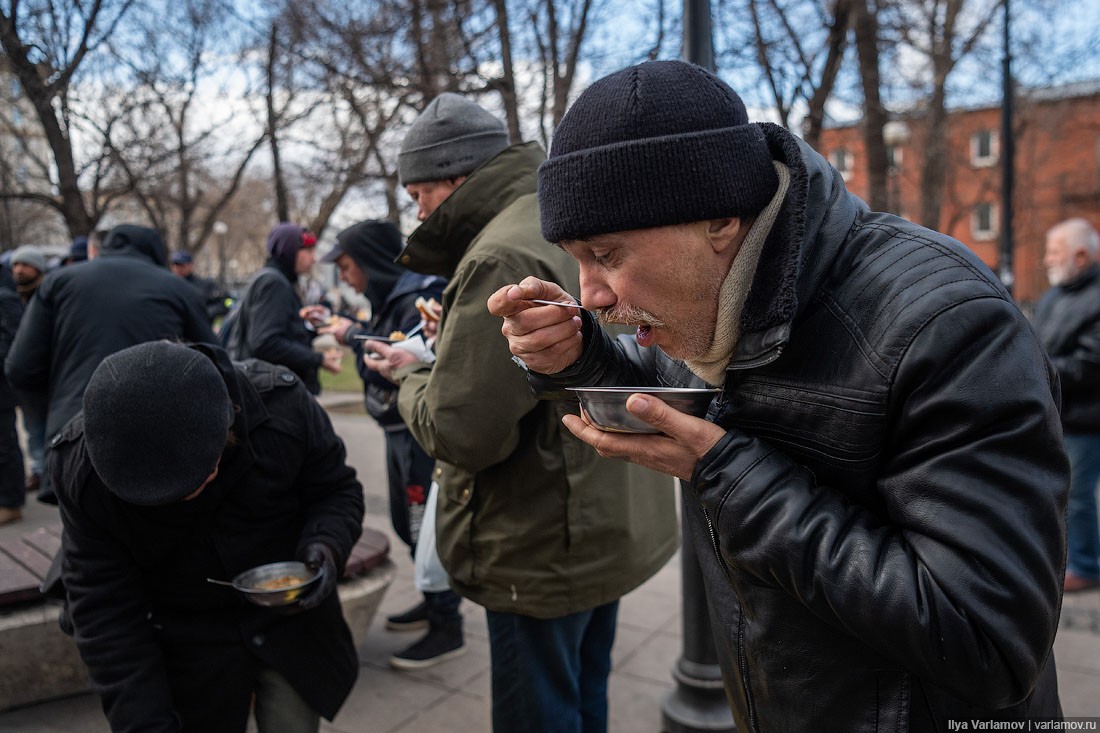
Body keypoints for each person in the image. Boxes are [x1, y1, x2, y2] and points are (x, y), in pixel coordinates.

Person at [488, 60, 1067, 729]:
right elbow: (682, 417)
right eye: (577, 261)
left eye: (607, 255)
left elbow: (990, 639)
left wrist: (732, 478)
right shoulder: (712, 307)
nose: (589, 292)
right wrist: (578, 355)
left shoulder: (946, 323)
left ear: (722, 220)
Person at [365, 91, 678, 729]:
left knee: (541, 713)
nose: (417, 212)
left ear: (452, 180)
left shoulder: (498, 255)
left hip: (540, 545)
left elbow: (462, 433)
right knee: (585, 697)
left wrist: (412, 374)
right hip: (603, 523)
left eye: (419, 195)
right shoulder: (559, 217)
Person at [51, 340, 364, 732]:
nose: (185, 498)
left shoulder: (281, 406)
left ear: (227, 426)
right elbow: (104, 610)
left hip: (289, 623)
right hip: (182, 637)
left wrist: (327, 546)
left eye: (201, 479)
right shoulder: (82, 473)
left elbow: (336, 490)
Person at [308, 219, 461, 668]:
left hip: (416, 434)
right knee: (406, 524)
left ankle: (447, 625)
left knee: (421, 525)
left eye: (348, 266)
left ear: (370, 261)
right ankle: (433, 603)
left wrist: (349, 334)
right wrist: (351, 328)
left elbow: (406, 351)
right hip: (397, 431)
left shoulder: (420, 295)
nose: (346, 276)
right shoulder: (388, 296)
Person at [5, 224, 217, 505]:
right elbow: (213, 363)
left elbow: (20, 367)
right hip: (157, 439)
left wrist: (62, 394)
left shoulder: (58, 283)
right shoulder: (177, 287)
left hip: (74, 434)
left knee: (83, 539)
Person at [1032, 217, 1100, 593]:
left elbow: (1091, 364)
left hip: (1086, 419)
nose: (1045, 259)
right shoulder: (1053, 296)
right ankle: (1063, 559)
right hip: (1058, 414)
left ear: (1081, 255)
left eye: (1053, 252)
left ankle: (1086, 565)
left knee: (1077, 494)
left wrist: (1036, 368)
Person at [222, 222, 341, 395]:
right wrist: (318, 359)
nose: (313, 258)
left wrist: (310, 326)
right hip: (270, 395)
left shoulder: (278, 280)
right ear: (289, 250)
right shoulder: (274, 283)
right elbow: (266, 343)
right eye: (308, 251)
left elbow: (280, 335)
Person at [8, 245, 49, 497]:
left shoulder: (47, 295)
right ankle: (39, 470)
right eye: (16, 265)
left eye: (25, 264)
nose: (19, 270)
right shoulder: (12, 297)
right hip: (25, 380)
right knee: (33, 427)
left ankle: (51, 472)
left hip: (46, 375)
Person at [0, 264, 24, 526]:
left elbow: (16, 344)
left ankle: (10, 502)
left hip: (3, 389)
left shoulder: (5, 298)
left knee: (4, 446)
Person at [170, 250, 231, 325]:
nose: (177, 269)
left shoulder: (205, 286)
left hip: (199, 331)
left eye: (181, 265)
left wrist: (205, 313)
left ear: (191, 265)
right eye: (175, 265)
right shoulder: (168, 286)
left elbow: (227, 302)